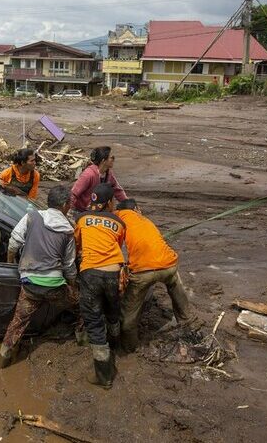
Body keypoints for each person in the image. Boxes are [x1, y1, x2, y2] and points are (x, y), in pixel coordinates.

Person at [0, 185, 83, 369]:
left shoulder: (32, 216)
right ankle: (81, 336)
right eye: (69, 203)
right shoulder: (68, 230)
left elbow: (13, 243)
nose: (70, 206)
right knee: (81, 305)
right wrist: (73, 286)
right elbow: (69, 266)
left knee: (18, 321)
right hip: (54, 285)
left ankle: (5, 355)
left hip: (30, 284)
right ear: (64, 205)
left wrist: (10, 263)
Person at [115, 199, 195, 352]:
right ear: (137, 209)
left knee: (129, 316)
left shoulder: (118, 218)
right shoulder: (146, 220)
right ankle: (187, 326)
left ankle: (130, 347)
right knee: (176, 289)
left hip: (143, 272)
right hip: (169, 266)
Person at [74, 183, 126, 389]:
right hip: (114, 271)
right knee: (113, 310)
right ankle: (116, 345)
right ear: (110, 203)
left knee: (94, 320)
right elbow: (118, 245)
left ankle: (104, 375)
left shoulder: (81, 219)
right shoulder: (119, 222)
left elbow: (76, 244)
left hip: (91, 273)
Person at [70, 146, 128, 221]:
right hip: (81, 211)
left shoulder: (108, 174)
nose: (114, 159)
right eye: (111, 157)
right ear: (103, 161)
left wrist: (129, 205)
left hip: (97, 210)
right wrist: (69, 213)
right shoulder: (88, 174)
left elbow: (117, 190)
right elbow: (74, 194)